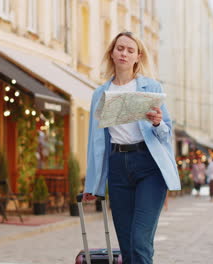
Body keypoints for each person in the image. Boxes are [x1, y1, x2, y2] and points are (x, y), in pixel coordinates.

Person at [82, 31, 181, 264]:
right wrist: (93, 183)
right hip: (118, 167)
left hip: (149, 166)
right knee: (127, 246)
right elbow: (95, 143)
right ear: (112, 53)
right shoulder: (100, 94)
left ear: (138, 56)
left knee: (139, 241)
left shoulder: (150, 87)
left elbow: (166, 133)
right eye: (120, 48)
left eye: (130, 50)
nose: (124, 53)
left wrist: (157, 123)